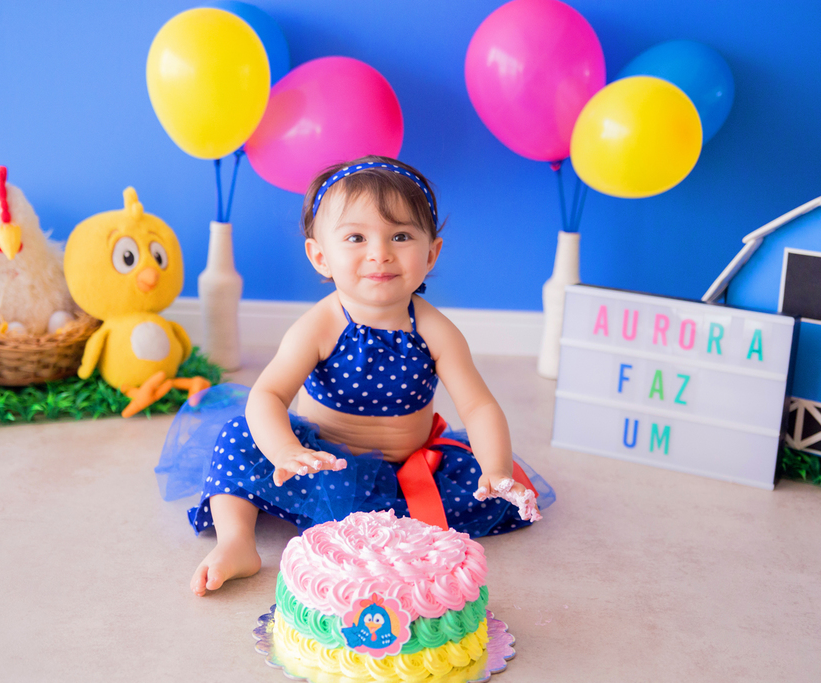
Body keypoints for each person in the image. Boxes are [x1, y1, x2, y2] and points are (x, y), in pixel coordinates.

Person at [155, 156, 552, 596]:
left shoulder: (437, 331)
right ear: (320, 256)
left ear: (432, 253)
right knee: (237, 436)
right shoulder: (320, 325)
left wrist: (495, 469)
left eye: (400, 236)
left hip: (407, 470)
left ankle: (387, 526)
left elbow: (478, 405)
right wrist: (285, 450)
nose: (379, 252)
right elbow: (268, 394)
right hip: (321, 461)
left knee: (472, 496)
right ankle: (237, 543)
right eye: (356, 237)